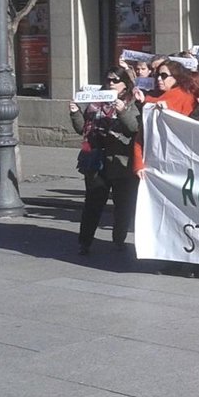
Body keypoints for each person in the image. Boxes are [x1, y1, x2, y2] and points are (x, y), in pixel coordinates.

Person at [69, 67, 138, 256]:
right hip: (96, 158)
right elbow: (82, 128)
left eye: (116, 80)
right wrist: (75, 112)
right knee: (93, 201)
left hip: (121, 160)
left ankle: (119, 238)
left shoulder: (132, 101)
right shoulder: (96, 101)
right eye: (108, 80)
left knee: (123, 204)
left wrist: (122, 112)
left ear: (125, 83)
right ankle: (85, 241)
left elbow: (133, 129)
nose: (111, 84)